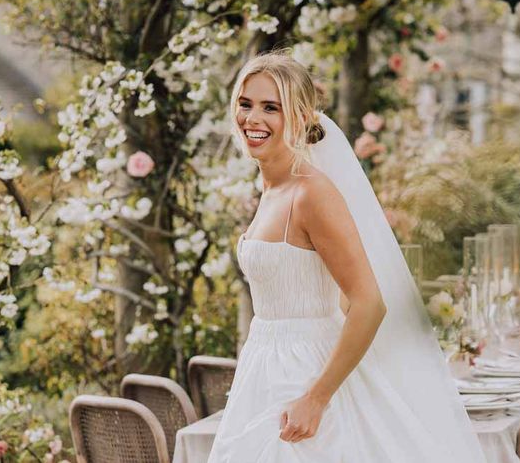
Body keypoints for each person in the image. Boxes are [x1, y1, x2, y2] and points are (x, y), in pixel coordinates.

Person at [207, 51, 487, 462]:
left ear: (300, 118)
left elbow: (369, 304)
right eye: (245, 104)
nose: (253, 118)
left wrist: (316, 398)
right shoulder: (270, 190)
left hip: (304, 374)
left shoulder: (311, 193)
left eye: (272, 108)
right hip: (262, 367)